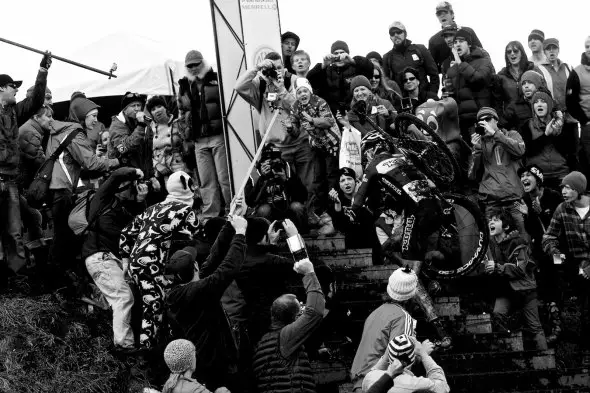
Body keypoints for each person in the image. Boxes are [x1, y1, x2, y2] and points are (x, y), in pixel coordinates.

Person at [166, 206, 247, 392]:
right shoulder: (199, 291)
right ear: (194, 266)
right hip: (214, 367)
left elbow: (213, 259)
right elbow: (228, 268)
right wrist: (241, 233)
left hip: (204, 361)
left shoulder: (182, 291)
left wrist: (230, 224)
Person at [119, 171, 200, 350]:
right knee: (154, 309)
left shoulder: (152, 208)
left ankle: (161, 348)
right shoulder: (185, 210)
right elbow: (195, 236)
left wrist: (126, 262)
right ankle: (148, 355)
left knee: (155, 305)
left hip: (136, 263)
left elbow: (126, 233)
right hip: (153, 263)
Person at [46, 115, 120, 293]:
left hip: (58, 189)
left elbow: (83, 165)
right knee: (64, 236)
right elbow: (90, 163)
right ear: (81, 115)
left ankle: (61, 280)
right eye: (92, 116)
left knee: (63, 235)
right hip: (62, 189)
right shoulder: (74, 132)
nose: (95, 120)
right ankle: (56, 282)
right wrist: (117, 162)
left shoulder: (59, 131)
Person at [82, 167, 148, 353]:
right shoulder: (101, 200)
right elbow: (116, 175)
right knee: (123, 297)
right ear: (121, 186)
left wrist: (140, 201)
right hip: (99, 257)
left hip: (112, 259)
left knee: (133, 294)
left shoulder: (123, 208)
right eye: (132, 186)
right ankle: (123, 345)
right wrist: (135, 172)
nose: (134, 189)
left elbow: (139, 228)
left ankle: (97, 300)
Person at [251, 229, 325, 393]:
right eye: (300, 309)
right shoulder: (286, 337)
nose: (303, 309)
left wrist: (271, 245)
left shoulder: (263, 340)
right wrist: (310, 274)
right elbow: (315, 311)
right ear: (293, 317)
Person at [236, 52, 318, 195]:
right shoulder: (260, 85)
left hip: (300, 143)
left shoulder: (296, 81)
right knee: (284, 188)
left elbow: (301, 107)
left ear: (284, 68)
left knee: (308, 185)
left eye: (279, 67)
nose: (276, 72)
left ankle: (309, 215)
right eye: (272, 68)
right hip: (277, 148)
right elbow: (239, 86)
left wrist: (281, 89)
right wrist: (257, 68)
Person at [0, 54, 50, 287]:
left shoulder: (14, 112)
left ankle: (17, 276)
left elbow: (36, 101)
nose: (16, 90)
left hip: (9, 180)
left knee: (13, 231)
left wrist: (42, 71)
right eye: (13, 86)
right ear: (1, 89)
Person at [178, 50, 231, 219]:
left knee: (225, 178)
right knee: (206, 181)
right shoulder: (184, 85)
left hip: (218, 136)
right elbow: (182, 114)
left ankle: (232, 210)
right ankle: (211, 217)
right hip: (198, 141)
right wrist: (185, 138)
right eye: (190, 65)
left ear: (203, 63)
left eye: (196, 64)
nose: (193, 68)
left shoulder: (216, 78)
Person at [486, 208, 548, 350]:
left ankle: (545, 361)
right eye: (490, 220)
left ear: (506, 226)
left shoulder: (518, 242)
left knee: (534, 327)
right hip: (507, 290)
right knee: (497, 315)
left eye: (495, 220)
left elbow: (520, 269)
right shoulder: (491, 244)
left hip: (526, 290)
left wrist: (497, 267)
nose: (491, 222)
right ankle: (507, 353)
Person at [350, 267, 418, 392]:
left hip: (360, 381)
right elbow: (399, 363)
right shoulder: (403, 317)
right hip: (379, 382)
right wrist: (423, 353)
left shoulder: (375, 313)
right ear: (412, 296)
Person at [542, 171, 590, 347]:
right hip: (574, 264)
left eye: (568, 188)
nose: (563, 191)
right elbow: (548, 237)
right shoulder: (562, 208)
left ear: (578, 189)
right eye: (562, 187)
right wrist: (555, 253)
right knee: (550, 263)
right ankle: (556, 321)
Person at [518, 165, 563, 344]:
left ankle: (558, 324)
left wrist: (541, 213)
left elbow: (560, 224)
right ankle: (550, 325)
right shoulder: (525, 199)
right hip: (540, 251)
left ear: (538, 178)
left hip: (558, 249)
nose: (524, 178)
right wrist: (528, 215)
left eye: (528, 175)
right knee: (543, 281)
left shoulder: (553, 196)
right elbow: (531, 229)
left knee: (557, 274)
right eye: (522, 176)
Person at [468, 107, 528, 237]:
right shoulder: (480, 143)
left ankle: (524, 258)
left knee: (522, 237)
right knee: (495, 242)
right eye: (480, 121)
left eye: (487, 119)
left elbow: (520, 151)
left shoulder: (511, 134)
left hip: (514, 199)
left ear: (496, 120)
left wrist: (496, 135)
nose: (484, 123)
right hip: (492, 201)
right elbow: (472, 175)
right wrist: (476, 149)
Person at [288, 77, 341, 217]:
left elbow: (329, 121)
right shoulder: (295, 107)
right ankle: (320, 212)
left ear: (310, 91)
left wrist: (312, 120)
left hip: (332, 143)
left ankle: (334, 211)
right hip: (316, 145)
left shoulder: (319, 101)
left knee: (331, 176)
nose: (302, 94)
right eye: (299, 92)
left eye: (305, 91)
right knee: (317, 179)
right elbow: (295, 131)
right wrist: (289, 128)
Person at [244, 143, 308, 232]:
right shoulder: (254, 174)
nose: (273, 165)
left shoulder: (286, 168)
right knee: (264, 210)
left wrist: (286, 180)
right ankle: (266, 240)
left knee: (297, 207)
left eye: (275, 161)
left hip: (286, 210)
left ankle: (303, 236)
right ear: (262, 162)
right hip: (267, 213)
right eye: (269, 162)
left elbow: (303, 196)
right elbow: (250, 202)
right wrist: (262, 179)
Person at [445, 28, 495, 142]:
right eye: (455, 42)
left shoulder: (484, 61)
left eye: (461, 41)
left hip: (481, 119)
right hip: (462, 123)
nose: (458, 44)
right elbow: (451, 97)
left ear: (469, 43)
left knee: (483, 154)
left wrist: (460, 63)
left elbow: (478, 79)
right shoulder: (451, 70)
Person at [362, 334, 450, 393]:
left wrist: (389, 351)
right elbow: (443, 387)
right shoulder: (414, 384)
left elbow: (375, 370)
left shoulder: (369, 378)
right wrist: (423, 354)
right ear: (411, 360)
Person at [307, 40, 374, 116]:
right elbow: (309, 81)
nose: (339, 56)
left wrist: (352, 61)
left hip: (354, 111)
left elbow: (370, 68)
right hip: (332, 113)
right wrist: (323, 65)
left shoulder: (355, 67)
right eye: (336, 53)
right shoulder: (326, 70)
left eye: (342, 53)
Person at [108, 92, 158, 193]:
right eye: (133, 106)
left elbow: (147, 154)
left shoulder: (143, 123)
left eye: (139, 105)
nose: (137, 109)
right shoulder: (116, 126)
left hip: (143, 179)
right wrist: (140, 125)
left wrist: (151, 176)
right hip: (124, 183)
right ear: (125, 109)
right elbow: (127, 147)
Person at [18, 105, 53, 242]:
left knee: (33, 216)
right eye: (48, 116)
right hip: (14, 186)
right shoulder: (31, 132)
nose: (52, 119)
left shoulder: (32, 129)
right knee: (33, 216)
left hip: (16, 186)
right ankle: (37, 253)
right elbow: (40, 162)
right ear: (36, 117)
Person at [521, 90, 570, 188]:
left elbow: (569, 150)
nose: (539, 104)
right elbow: (528, 151)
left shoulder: (562, 124)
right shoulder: (526, 125)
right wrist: (546, 134)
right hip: (538, 177)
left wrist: (557, 133)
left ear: (549, 105)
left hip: (562, 174)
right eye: (536, 102)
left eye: (543, 101)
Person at [383, 22, 439, 97]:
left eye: (399, 32)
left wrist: (432, 95)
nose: (396, 35)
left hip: (425, 98)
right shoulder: (387, 57)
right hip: (403, 101)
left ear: (405, 33)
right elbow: (387, 83)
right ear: (390, 37)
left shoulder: (420, 49)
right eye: (392, 34)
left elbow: (434, 74)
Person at [495, 41, 539, 130]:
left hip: (533, 119)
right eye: (509, 52)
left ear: (522, 53)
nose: (512, 54)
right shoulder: (501, 76)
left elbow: (544, 91)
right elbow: (497, 102)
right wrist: (500, 121)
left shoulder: (533, 69)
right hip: (511, 123)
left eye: (515, 51)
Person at [428, 1, 483, 73]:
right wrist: (445, 68)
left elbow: (482, 54)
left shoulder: (468, 31)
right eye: (439, 14)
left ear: (452, 14)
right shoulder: (434, 41)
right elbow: (431, 67)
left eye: (445, 13)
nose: (442, 16)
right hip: (451, 80)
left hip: (472, 74)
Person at [147, 95, 187, 182]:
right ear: (151, 114)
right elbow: (145, 153)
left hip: (180, 166)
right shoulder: (149, 129)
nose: (157, 110)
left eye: (159, 106)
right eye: (153, 109)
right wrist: (157, 165)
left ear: (165, 108)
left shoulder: (178, 123)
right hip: (160, 170)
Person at [566, 37, 590, 179]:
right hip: (588, 125)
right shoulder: (576, 72)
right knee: (587, 160)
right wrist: (585, 120)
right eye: (587, 46)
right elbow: (570, 101)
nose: (589, 49)